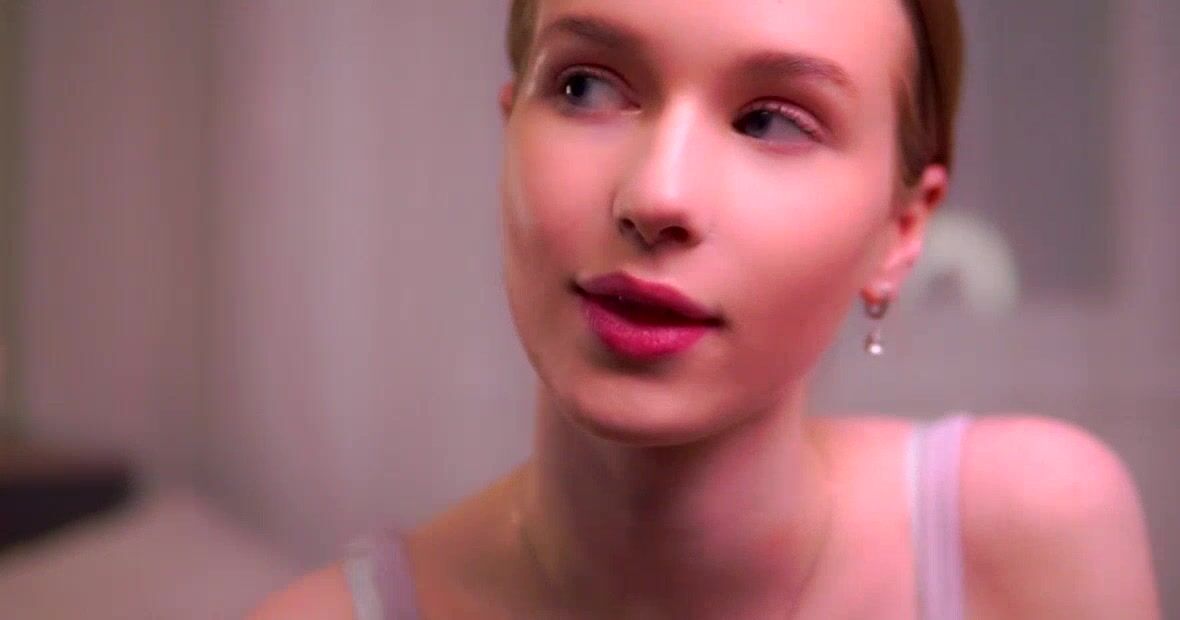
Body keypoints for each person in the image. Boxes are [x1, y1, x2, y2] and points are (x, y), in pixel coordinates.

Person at [251, 0, 1160, 617]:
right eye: (585, 87)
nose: (658, 196)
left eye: (772, 120)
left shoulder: (1032, 536)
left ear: (902, 229)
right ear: (509, 131)